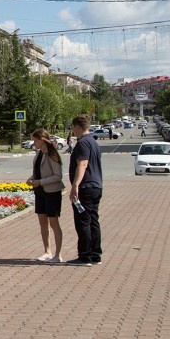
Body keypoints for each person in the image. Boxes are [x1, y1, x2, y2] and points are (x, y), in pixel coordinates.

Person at [68, 114, 103, 266]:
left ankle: (85, 255)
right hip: (96, 186)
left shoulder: (82, 143)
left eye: (73, 127)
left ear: (77, 126)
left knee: (83, 221)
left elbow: (82, 164)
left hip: (85, 187)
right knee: (93, 220)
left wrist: (75, 185)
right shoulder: (94, 142)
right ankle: (96, 254)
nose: (72, 131)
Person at [27, 128, 65, 263]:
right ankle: (47, 251)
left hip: (52, 192)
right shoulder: (39, 154)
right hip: (40, 192)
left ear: (42, 140)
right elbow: (38, 172)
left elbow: (58, 176)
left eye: (35, 140)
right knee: (42, 222)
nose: (33, 142)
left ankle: (58, 254)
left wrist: (40, 182)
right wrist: (31, 179)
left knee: (54, 223)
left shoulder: (52, 155)